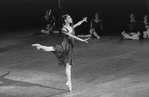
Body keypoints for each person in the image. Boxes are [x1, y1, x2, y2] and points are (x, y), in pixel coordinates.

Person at [32, 14, 89, 91]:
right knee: (52, 49)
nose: (71, 18)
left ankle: (69, 82)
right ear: (65, 20)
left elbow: (78, 24)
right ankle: (40, 46)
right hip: (64, 45)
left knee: (68, 65)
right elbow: (72, 36)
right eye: (69, 18)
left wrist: (83, 20)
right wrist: (82, 40)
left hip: (70, 47)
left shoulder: (71, 27)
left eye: (70, 17)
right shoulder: (64, 28)